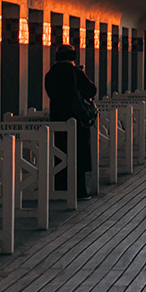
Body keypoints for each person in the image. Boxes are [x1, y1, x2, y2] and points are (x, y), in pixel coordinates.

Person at [44, 44, 96, 201]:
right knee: (77, 155)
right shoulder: (74, 72)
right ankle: (79, 190)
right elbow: (91, 90)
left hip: (57, 120)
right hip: (76, 120)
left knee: (60, 154)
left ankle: (60, 188)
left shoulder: (50, 74)